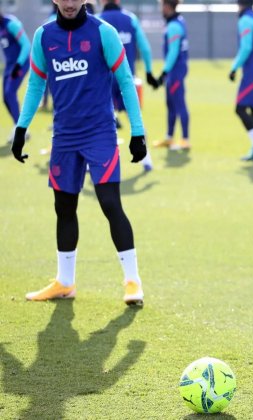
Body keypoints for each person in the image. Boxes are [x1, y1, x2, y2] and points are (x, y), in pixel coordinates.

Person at [11, 0, 147, 306]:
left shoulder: (104, 32)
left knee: (110, 204)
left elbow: (125, 80)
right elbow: (35, 84)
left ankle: (132, 282)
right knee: (64, 208)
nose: (70, 3)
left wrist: (137, 132)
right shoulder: (44, 36)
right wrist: (21, 128)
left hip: (100, 134)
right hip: (64, 138)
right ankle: (65, 282)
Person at [99, 0, 158, 171]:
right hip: (127, 79)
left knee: (100, 121)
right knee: (135, 118)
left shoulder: (97, 20)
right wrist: (148, 72)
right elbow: (145, 48)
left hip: (105, 82)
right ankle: (147, 159)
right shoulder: (130, 19)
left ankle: (94, 163)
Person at [229, 0, 253, 162]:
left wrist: (234, 68)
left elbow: (246, 48)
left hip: (252, 74)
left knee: (239, 108)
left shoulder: (245, 20)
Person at [152, 0, 190, 150]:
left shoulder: (173, 26)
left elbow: (173, 52)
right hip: (176, 70)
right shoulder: (178, 21)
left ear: (167, 7)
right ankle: (169, 137)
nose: (161, 9)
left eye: (162, 5)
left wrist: (163, 74)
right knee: (171, 104)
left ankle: (185, 139)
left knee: (179, 104)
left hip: (176, 71)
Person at [0, 9, 30, 139]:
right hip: (9, 65)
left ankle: (21, 130)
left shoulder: (10, 24)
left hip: (20, 63)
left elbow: (26, 45)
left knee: (10, 92)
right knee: (6, 98)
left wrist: (18, 64)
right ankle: (19, 126)